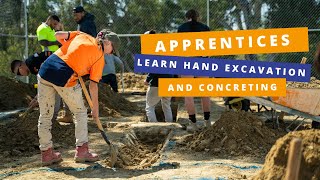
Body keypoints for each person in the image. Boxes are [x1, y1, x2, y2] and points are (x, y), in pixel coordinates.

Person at [37, 29, 120, 165]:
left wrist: (69, 49)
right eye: (113, 49)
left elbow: (58, 35)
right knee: (80, 113)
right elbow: (93, 86)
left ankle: (46, 154)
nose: (111, 53)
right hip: (64, 75)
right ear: (108, 43)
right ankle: (82, 150)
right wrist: (95, 110)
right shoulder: (99, 57)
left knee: (45, 115)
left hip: (46, 69)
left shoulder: (82, 35)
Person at [177, 9, 211, 131]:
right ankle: (207, 121)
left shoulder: (181, 28)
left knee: (188, 95)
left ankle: (193, 124)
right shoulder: (205, 28)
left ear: (187, 17)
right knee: (205, 93)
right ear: (198, 16)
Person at [144, 30, 174, 123]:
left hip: (157, 82)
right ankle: (170, 125)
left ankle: (154, 126)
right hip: (169, 81)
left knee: (149, 107)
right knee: (166, 105)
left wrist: (147, 79)